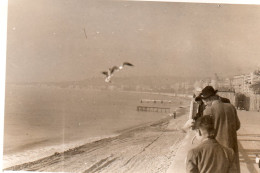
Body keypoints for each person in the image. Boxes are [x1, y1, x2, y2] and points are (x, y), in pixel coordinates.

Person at [200, 86, 240, 172]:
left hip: (217, 148)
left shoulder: (208, 110)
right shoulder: (231, 107)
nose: (205, 104)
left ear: (209, 98)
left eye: (205, 101)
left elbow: (205, 133)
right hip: (232, 147)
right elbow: (237, 126)